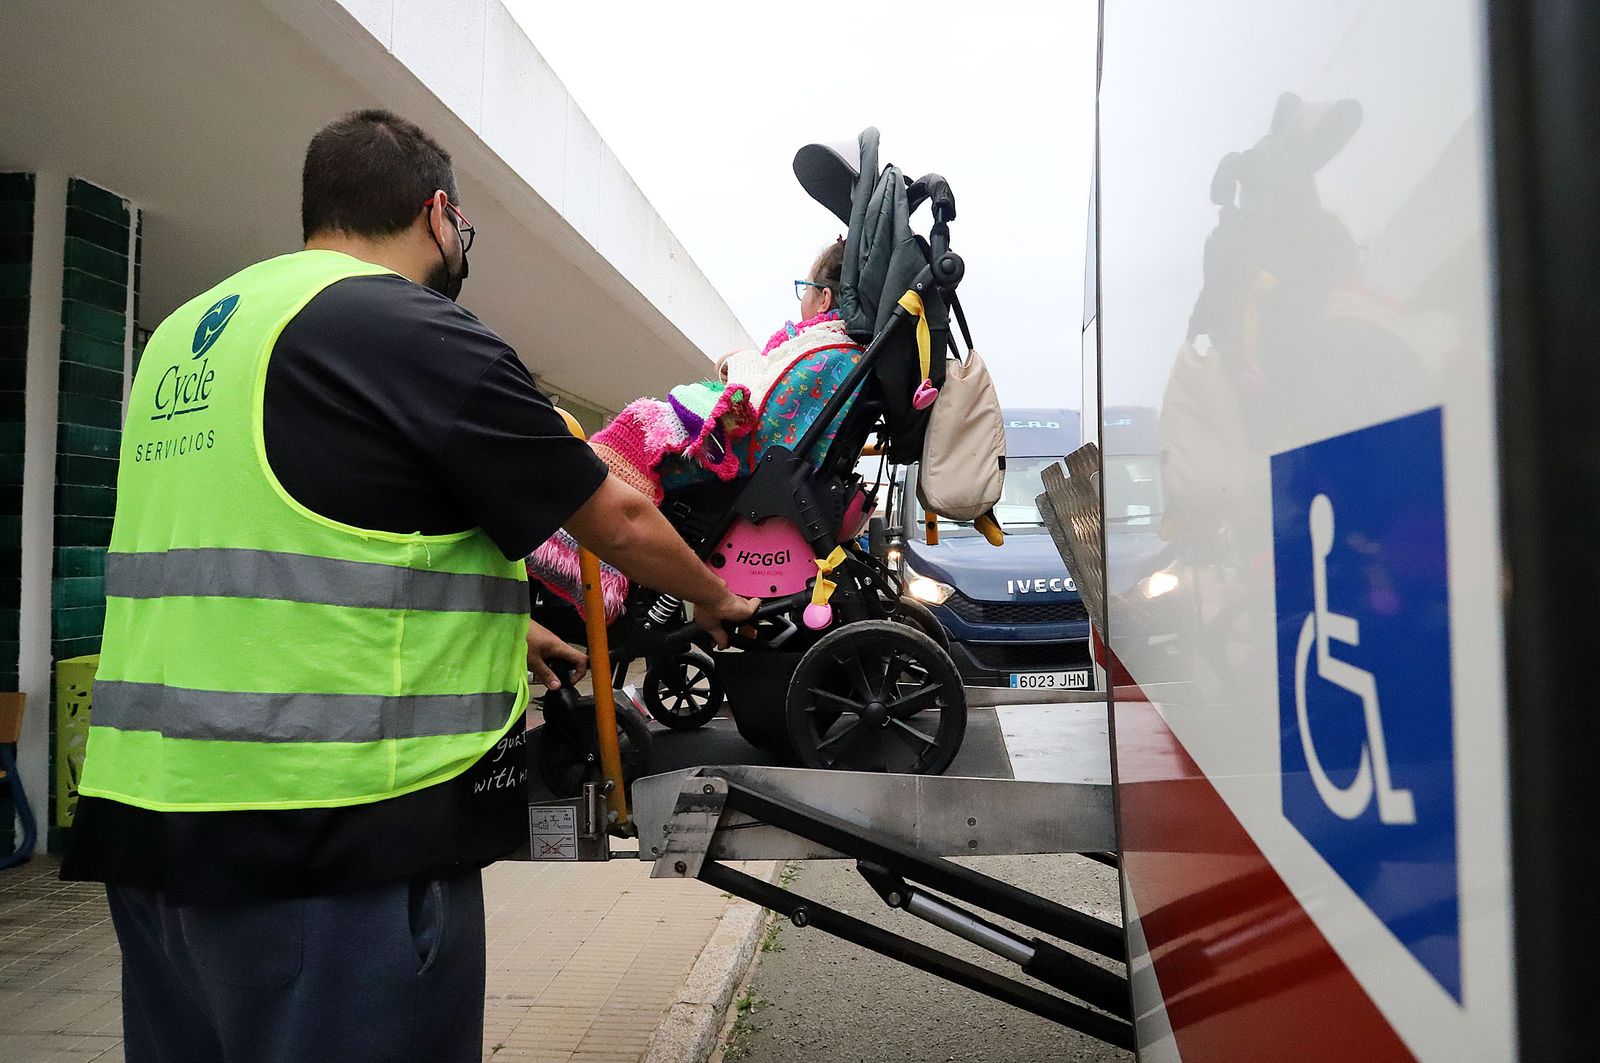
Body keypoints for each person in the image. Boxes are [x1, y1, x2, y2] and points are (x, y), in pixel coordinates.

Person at [61, 109, 757, 1063]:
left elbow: (279, 537)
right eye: (460, 227)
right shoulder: (409, 327)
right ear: (439, 215)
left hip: (146, 833)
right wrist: (718, 597)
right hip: (330, 852)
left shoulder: (187, 336)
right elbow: (616, 518)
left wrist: (513, 632)